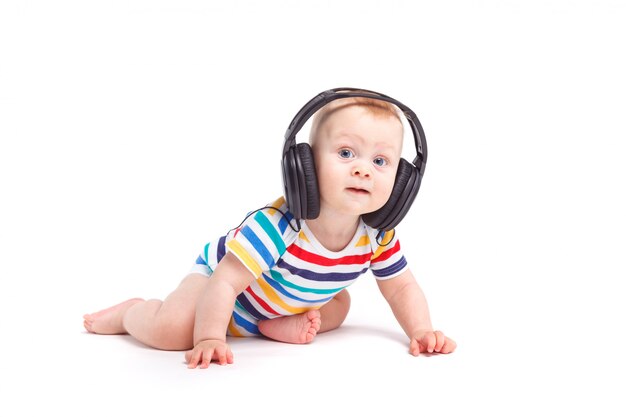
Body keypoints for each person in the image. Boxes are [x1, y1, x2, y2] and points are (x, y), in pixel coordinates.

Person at [83, 90, 457, 369]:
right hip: (223, 289)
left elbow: (401, 287)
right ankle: (131, 313)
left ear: (404, 180)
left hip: (282, 299)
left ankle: (272, 325)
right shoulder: (280, 226)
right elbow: (225, 283)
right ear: (304, 165)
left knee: (339, 306)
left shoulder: (377, 236)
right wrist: (210, 337)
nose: (363, 170)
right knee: (172, 332)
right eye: (345, 153)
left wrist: (421, 330)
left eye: (380, 160)